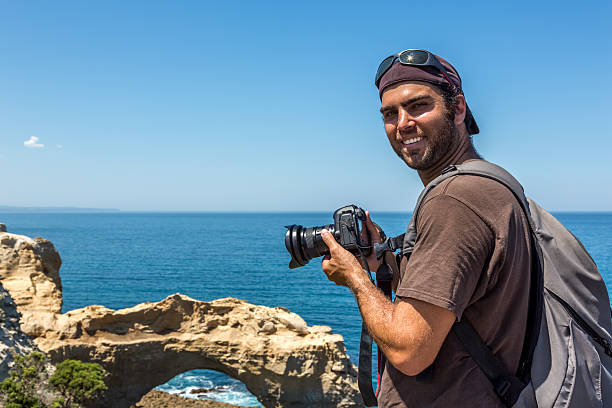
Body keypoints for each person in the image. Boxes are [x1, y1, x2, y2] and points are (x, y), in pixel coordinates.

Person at [319, 49, 532, 407]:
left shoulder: (453, 199)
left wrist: (355, 278)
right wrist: (383, 263)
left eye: (418, 105)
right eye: (390, 113)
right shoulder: (495, 184)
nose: (402, 123)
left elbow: (409, 350)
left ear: (458, 109)